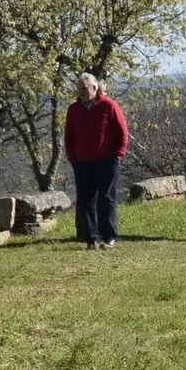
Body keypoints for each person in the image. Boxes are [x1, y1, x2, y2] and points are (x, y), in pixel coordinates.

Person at [65, 73, 128, 250]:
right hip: (82, 162)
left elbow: (122, 131)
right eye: (79, 89)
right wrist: (73, 157)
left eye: (85, 89)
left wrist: (118, 155)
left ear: (94, 88)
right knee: (86, 200)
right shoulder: (74, 110)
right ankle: (91, 238)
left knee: (106, 199)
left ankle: (109, 237)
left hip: (107, 160)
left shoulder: (109, 105)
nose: (82, 92)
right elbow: (69, 136)